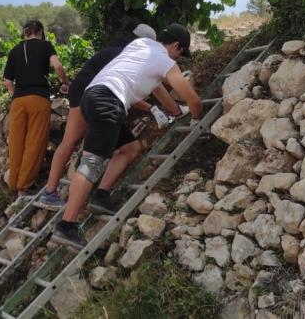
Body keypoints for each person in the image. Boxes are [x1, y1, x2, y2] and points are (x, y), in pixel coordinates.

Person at [53, 24, 203, 249]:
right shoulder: (165, 61)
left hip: (92, 96)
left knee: (131, 147)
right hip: (109, 101)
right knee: (92, 164)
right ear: (176, 46)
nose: (179, 59)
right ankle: (67, 225)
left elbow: (158, 89)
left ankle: (101, 195)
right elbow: (193, 99)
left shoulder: (141, 46)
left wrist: (174, 111)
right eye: (181, 53)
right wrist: (196, 117)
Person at [36, 23, 185, 210]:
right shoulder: (132, 55)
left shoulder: (115, 50)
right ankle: (57, 196)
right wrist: (158, 109)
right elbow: (119, 89)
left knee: (70, 142)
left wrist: (150, 108)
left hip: (81, 90)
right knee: (79, 148)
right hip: (91, 93)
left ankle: (50, 192)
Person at [2, 20, 69, 197]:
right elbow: (58, 66)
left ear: (25, 33)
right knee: (35, 141)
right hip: (38, 97)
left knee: (16, 142)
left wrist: (16, 94)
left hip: (18, 102)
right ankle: (23, 187)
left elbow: (8, 82)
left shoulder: (14, 50)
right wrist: (64, 83)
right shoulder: (46, 46)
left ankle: (13, 183)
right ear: (40, 32)